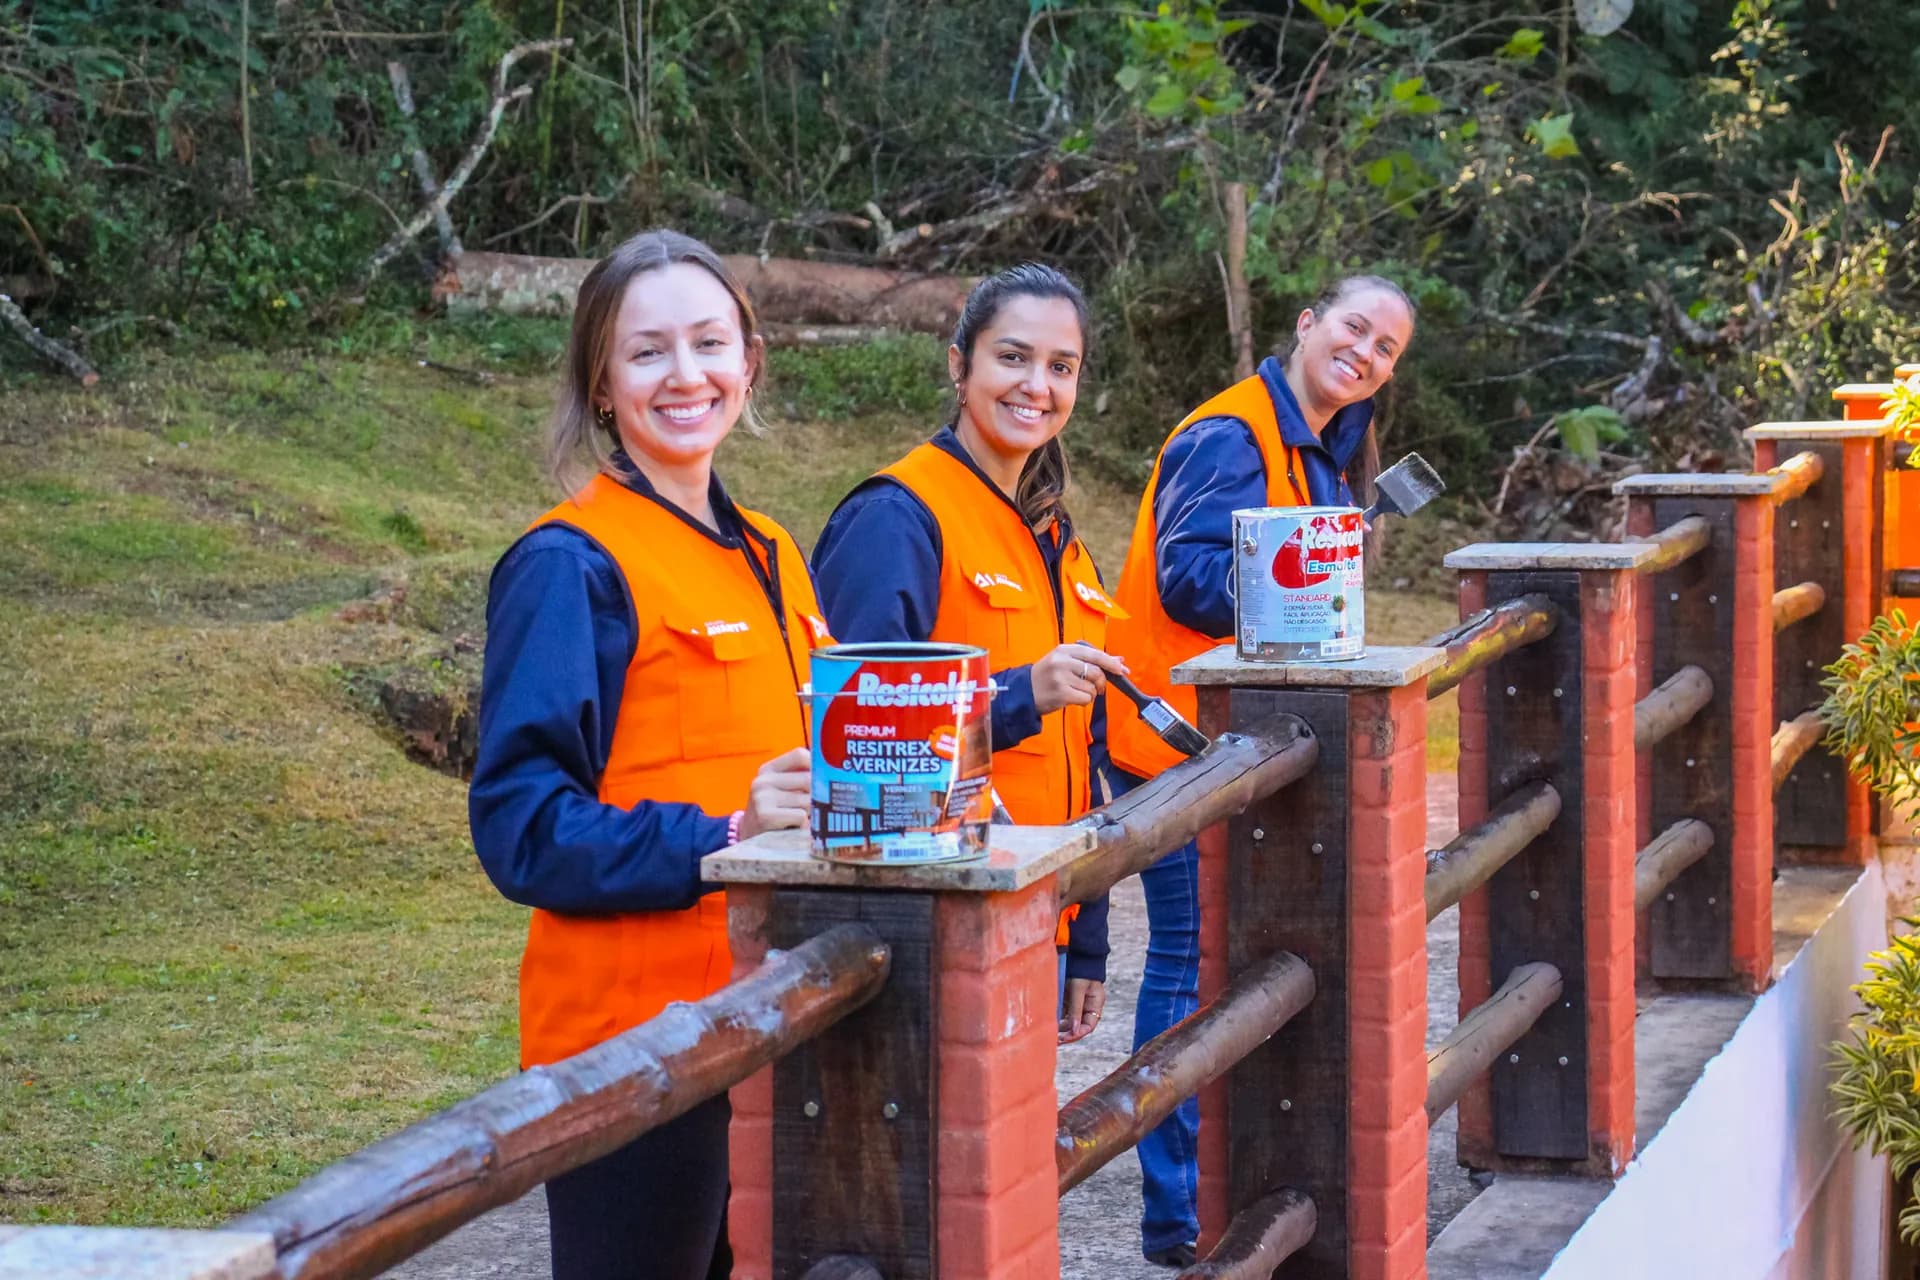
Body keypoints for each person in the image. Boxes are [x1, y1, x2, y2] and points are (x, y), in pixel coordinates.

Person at [468, 229, 828, 1280]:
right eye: (647, 351)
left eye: (709, 344)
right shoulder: (568, 564)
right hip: (634, 1053)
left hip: (775, 1021)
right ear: (602, 384)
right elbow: (523, 830)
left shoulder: (774, 552)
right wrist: (725, 835)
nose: (686, 375)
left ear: (748, 362)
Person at [1105, 274, 1417, 1267]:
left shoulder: (1326, 448)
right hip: (1170, 742)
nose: (1364, 354)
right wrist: (1309, 570)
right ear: (1308, 322)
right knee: (1186, 959)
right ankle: (1178, 1213)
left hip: (1237, 744)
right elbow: (1188, 577)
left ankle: (1213, 1188)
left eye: (1385, 349)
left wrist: (1325, 554)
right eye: (1354, 328)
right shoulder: (1231, 433)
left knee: (1228, 963)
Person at [811, 263, 1124, 1042]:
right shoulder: (897, 517)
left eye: (1061, 367)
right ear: (960, 365)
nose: (1036, 386)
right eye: (1012, 357)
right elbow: (857, 739)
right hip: (935, 927)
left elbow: (1084, 752)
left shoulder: (1056, 537)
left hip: (1040, 912)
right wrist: (1022, 695)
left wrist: (1086, 934)